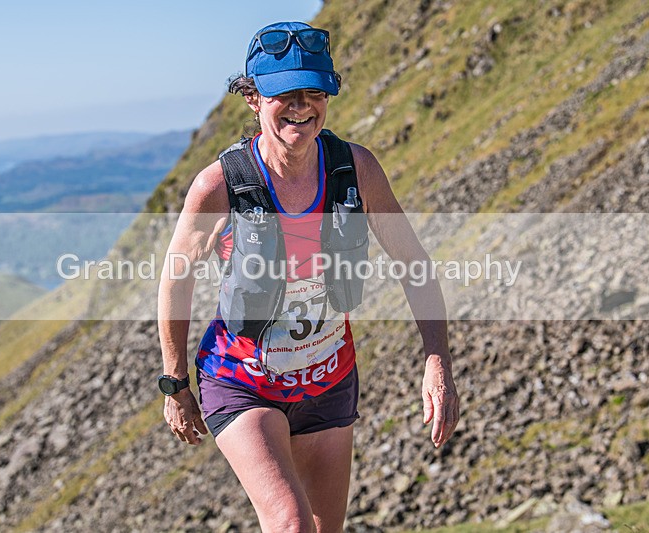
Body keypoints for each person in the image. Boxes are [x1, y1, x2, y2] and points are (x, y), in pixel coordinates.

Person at [157, 21, 459, 533]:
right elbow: (175, 280)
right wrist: (174, 382)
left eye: (314, 91)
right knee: (291, 522)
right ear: (253, 99)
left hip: (330, 379)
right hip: (241, 381)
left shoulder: (355, 168)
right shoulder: (220, 185)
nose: (302, 105)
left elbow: (414, 263)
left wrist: (438, 360)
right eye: (284, 94)